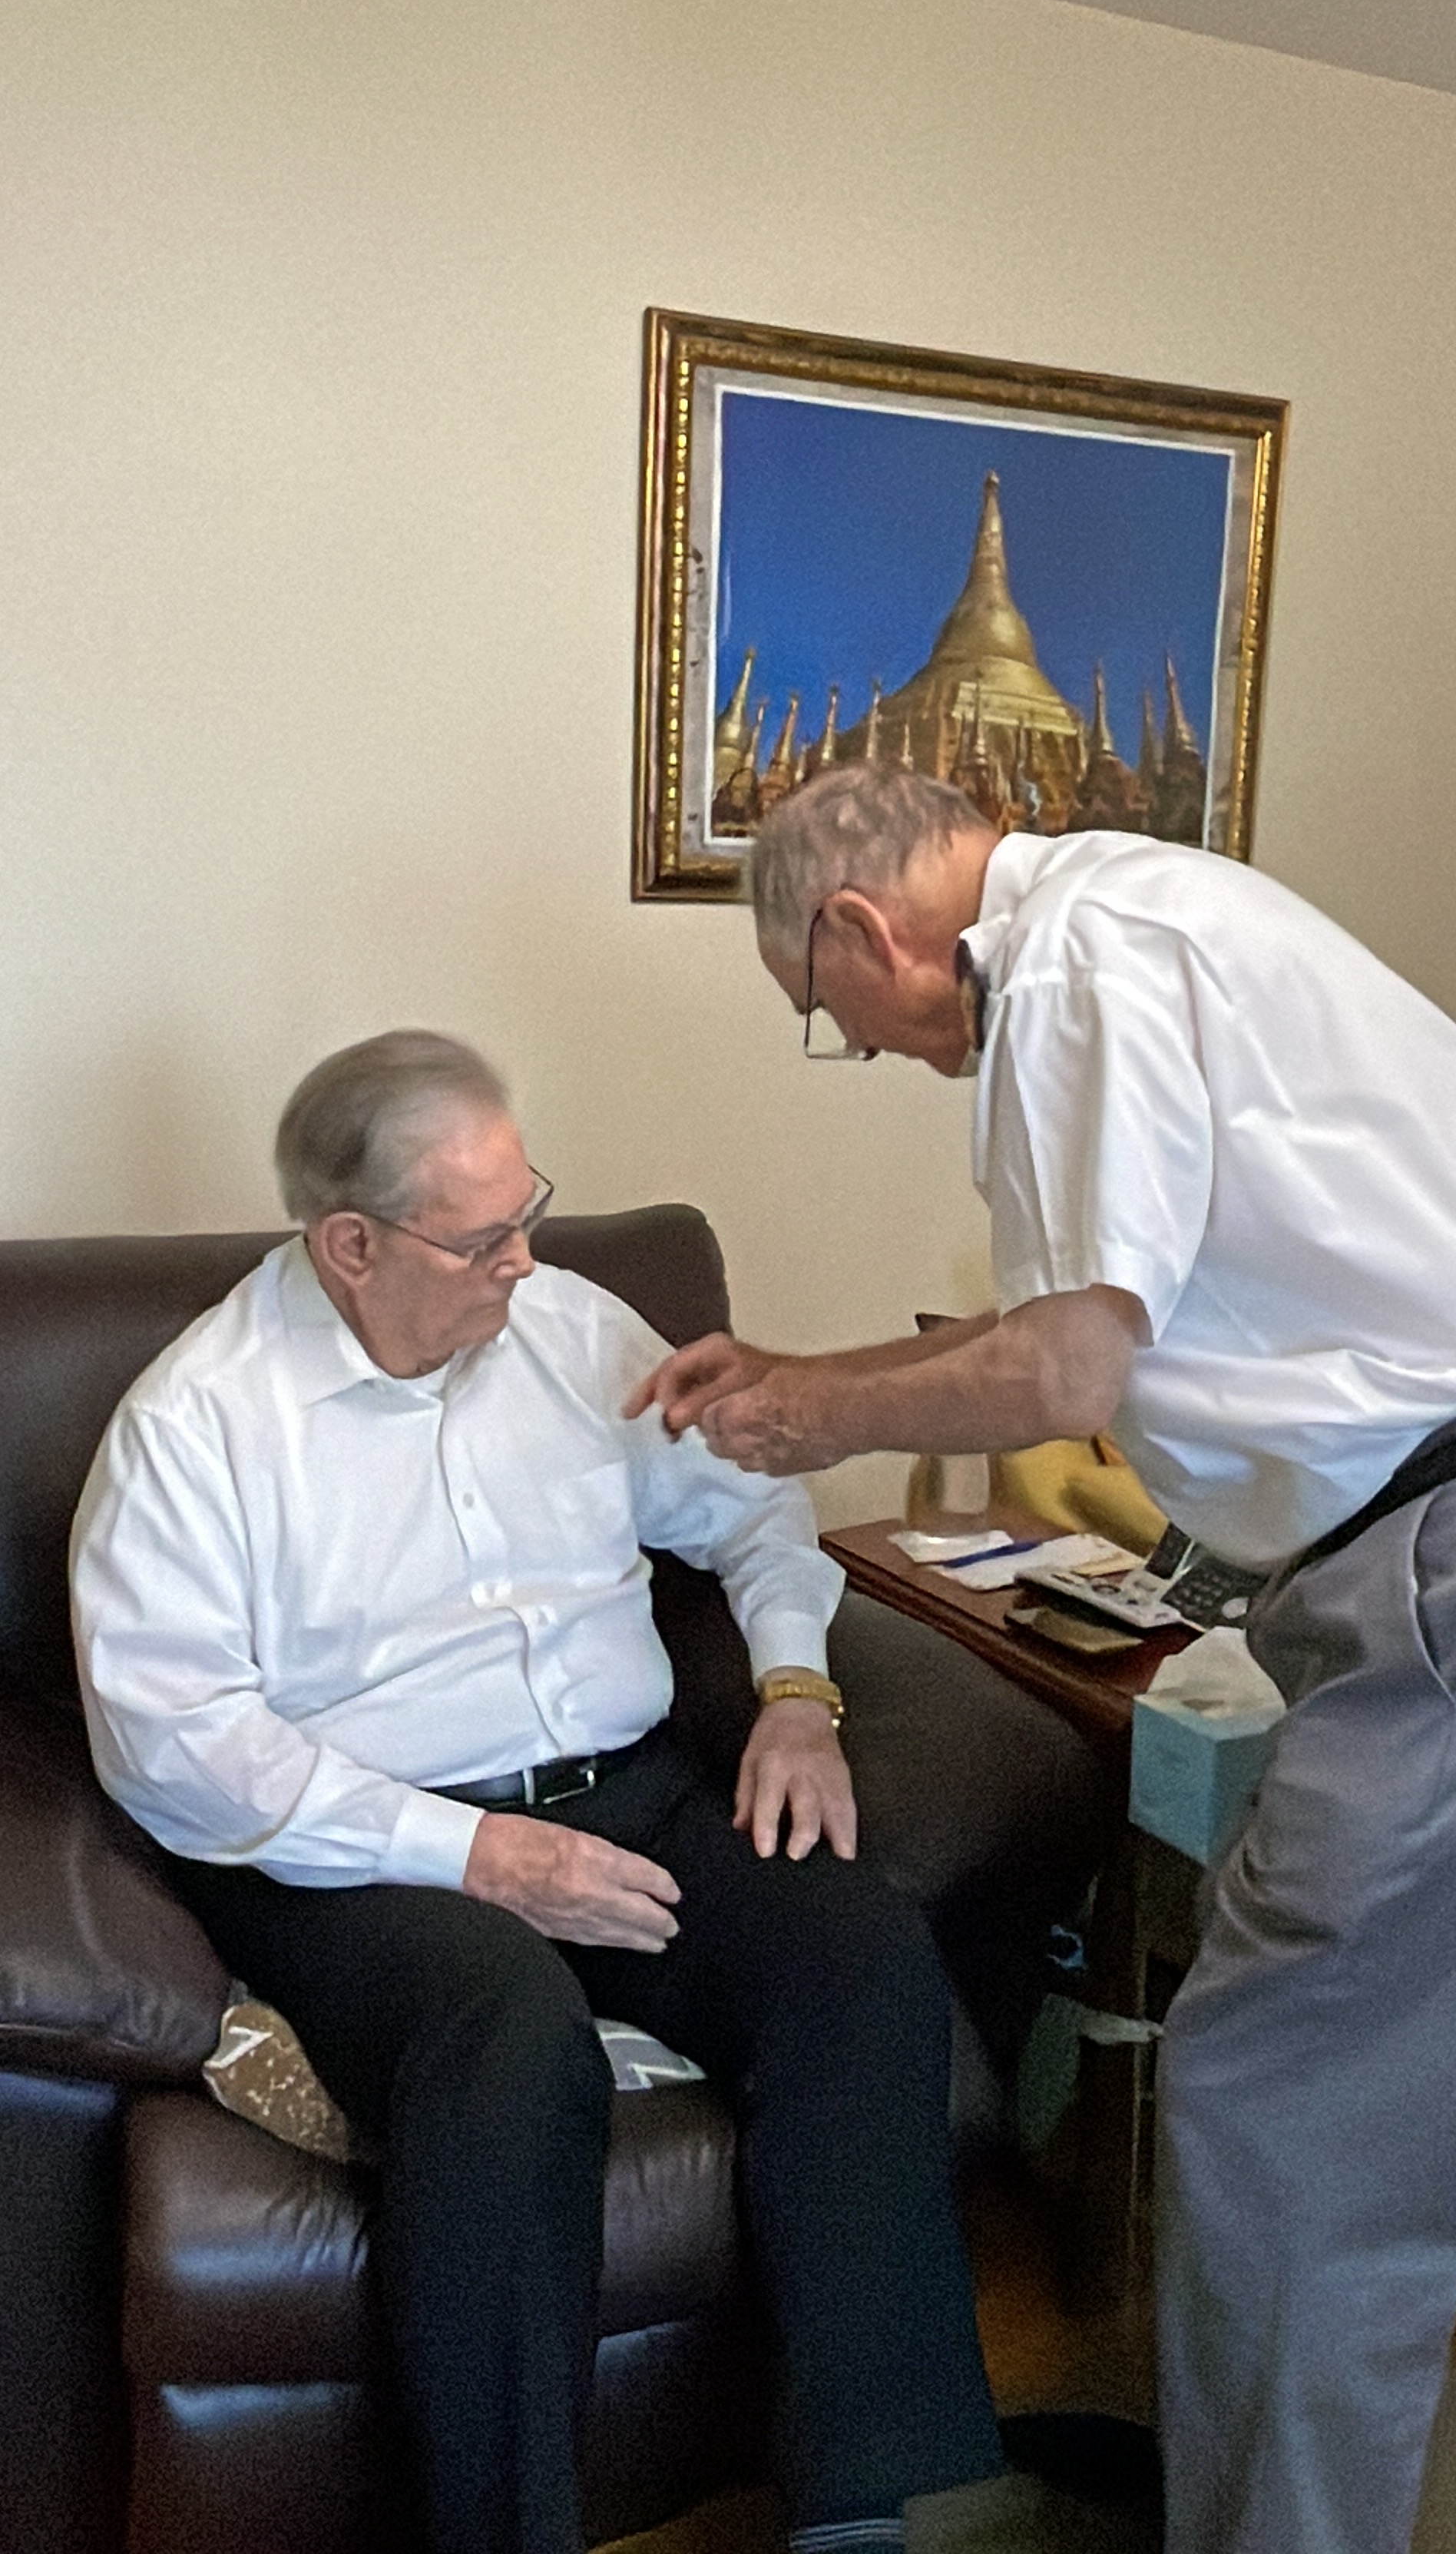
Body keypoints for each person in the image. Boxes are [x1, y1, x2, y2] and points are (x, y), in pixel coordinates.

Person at [633, 765, 1456, 2554]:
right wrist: (812, 1372)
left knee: (1286, 2114)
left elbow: (1064, 1370)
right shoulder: (1144, 910)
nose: (878, 1052)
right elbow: (1093, 1326)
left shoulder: (1071, 968)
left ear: (864, 926)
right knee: (1345, 2107)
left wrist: (811, 1414)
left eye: (833, 1015)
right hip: (1442, 1542)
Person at [71, 1029, 1019, 2554]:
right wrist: (480, 1855)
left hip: (625, 1794)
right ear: (351, 1244)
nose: (525, 1260)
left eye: (530, 1213)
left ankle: (861, 2508)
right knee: (507, 2041)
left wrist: (796, 1693)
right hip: (364, 1847)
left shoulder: (572, 1329)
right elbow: (173, 1740)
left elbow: (756, 1511)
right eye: (483, 1239)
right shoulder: (202, 1423)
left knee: (850, 1955)